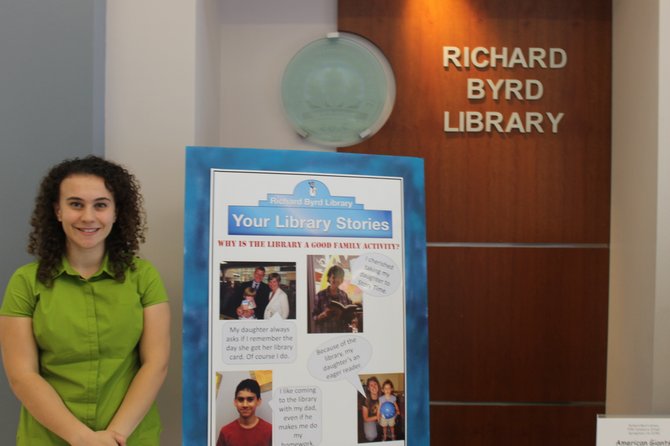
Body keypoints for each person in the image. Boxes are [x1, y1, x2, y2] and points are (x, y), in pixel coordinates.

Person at [0, 156, 170, 446]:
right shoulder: (25, 283)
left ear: (116, 212)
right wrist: (81, 438)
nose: (88, 217)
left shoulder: (143, 277)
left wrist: (115, 436)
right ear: (57, 211)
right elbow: (22, 375)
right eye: (76, 204)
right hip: (49, 438)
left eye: (100, 205)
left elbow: (156, 363)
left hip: (129, 437)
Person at [216, 378, 272, 446]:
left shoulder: (270, 431)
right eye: (240, 399)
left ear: (258, 401)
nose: (245, 405)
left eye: (250, 399)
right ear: (235, 402)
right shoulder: (225, 432)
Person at [311, 265, 357, 333]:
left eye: (339, 277)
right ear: (329, 278)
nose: (336, 280)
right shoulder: (320, 295)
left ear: (342, 280)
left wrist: (353, 321)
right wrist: (322, 315)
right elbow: (313, 318)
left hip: (342, 331)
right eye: (334, 277)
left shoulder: (344, 295)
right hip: (325, 332)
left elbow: (351, 316)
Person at [360, 376, 381, 442]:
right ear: (368, 388)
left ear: (378, 385)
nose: (374, 386)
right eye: (371, 385)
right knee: (371, 436)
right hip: (370, 420)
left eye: (375, 384)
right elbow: (365, 418)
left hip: (381, 418)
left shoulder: (383, 396)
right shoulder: (365, 400)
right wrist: (377, 417)